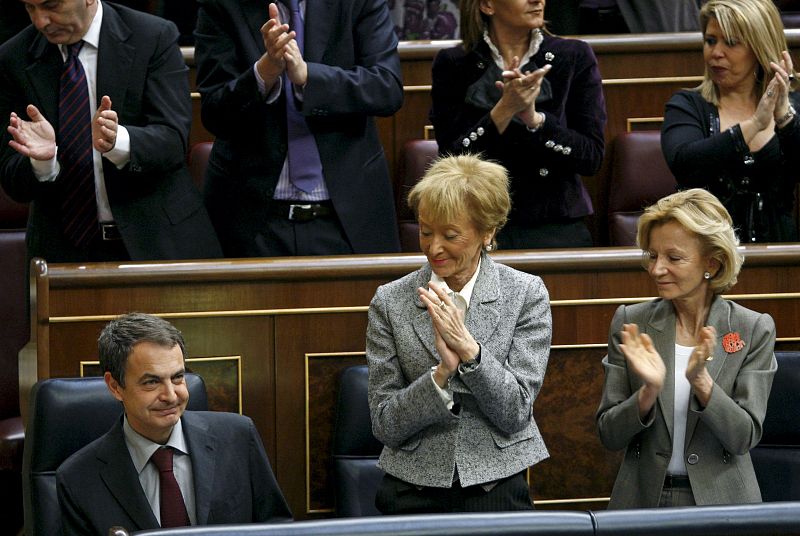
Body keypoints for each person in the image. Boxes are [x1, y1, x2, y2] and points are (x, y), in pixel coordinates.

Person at [367, 154, 551, 513]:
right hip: (410, 487)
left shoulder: (525, 294)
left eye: (450, 235)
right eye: (425, 232)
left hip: (496, 485)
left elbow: (516, 412)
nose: (434, 247)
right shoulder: (390, 301)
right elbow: (385, 424)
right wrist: (439, 376)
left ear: (487, 232)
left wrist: (470, 353)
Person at [0, 0, 223, 264]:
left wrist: (118, 142)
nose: (40, 21)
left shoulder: (152, 36)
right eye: (30, 8)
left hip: (158, 241)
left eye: (52, 6)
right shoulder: (14, 56)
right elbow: (12, 178)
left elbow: (172, 140)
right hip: (63, 254)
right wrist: (41, 162)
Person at [596, 188, 777, 508]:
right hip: (642, 502)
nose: (656, 269)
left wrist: (702, 382)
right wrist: (648, 392)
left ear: (713, 263)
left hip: (723, 507)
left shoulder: (752, 328)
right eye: (653, 256)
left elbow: (743, 437)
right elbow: (609, 435)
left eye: (673, 258)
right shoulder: (631, 322)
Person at [193, 0, 403, 257]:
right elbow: (214, 112)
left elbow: (386, 87)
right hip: (251, 221)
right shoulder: (223, 5)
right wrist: (263, 73)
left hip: (348, 218)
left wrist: (308, 77)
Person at [56, 313, 292, 533]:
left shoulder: (238, 437)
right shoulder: (78, 478)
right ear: (115, 386)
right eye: (151, 382)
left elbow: (278, 528)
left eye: (178, 377)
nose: (170, 395)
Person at [429, 0, 606, 249]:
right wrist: (503, 110)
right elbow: (451, 160)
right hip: (479, 224)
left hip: (554, 223)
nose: (537, 0)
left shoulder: (574, 55)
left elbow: (591, 157)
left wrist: (534, 120)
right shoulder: (454, 62)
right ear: (487, 5)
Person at [661, 0, 800, 243]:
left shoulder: (793, 106)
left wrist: (783, 116)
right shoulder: (687, 105)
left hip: (779, 252)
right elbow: (685, 164)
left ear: (759, 47)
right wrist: (754, 124)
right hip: (705, 250)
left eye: (731, 42)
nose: (716, 52)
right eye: (710, 40)